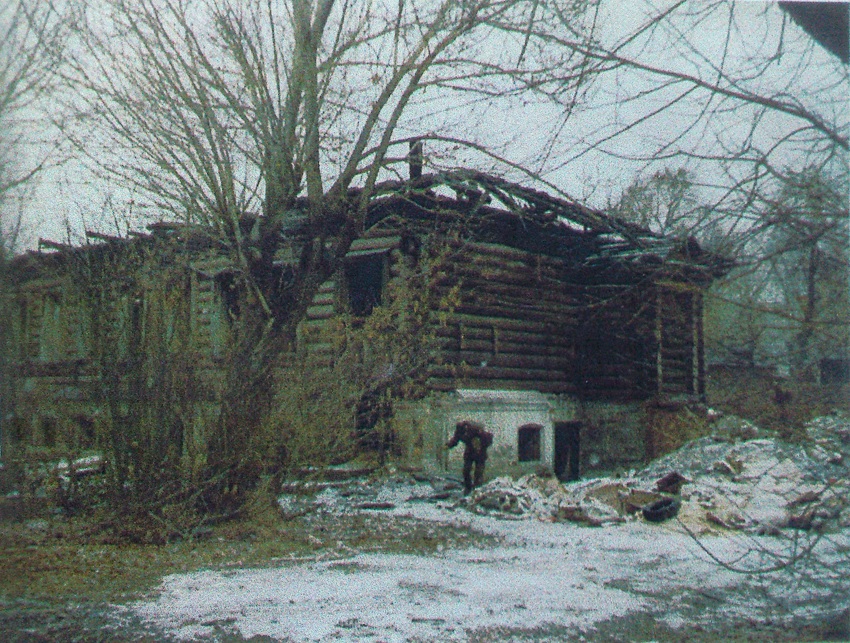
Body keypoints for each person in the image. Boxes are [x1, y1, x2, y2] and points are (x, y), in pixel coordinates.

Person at [446, 420, 493, 494]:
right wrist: (448, 445)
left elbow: (489, 440)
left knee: (479, 472)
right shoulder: (462, 431)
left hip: (481, 453)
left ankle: (477, 488)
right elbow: (455, 439)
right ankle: (468, 488)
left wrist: (479, 447)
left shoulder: (484, 436)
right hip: (469, 452)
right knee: (466, 470)